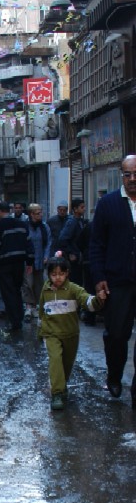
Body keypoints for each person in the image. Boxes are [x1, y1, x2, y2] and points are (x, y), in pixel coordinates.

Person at [89, 154, 136, 405]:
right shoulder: (108, 204)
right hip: (117, 281)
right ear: (121, 175)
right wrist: (98, 278)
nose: (132, 179)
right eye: (127, 174)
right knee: (117, 335)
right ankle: (115, 375)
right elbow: (96, 244)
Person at [39, 253, 105, 411]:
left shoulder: (73, 289)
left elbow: (87, 301)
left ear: (67, 273)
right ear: (48, 275)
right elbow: (41, 310)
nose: (58, 278)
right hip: (51, 333)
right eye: (54, 274)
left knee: (66, 365)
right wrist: (40, 331)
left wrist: (98, 299)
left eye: (61, 274)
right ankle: (57, 393)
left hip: (70, 335)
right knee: (55, 361)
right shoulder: (45, 290)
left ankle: (62, 386)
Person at [0, 200, 34, 332]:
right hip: (19, 263)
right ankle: (19, 316)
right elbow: (29, 244)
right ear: (10, 211)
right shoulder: (22, 224)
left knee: (8, 292)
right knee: (17, 290)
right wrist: (30, 261)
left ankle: (15, 321)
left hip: (5, 264)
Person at [22, 203, 51, 321]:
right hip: (28, 260)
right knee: (28, 282)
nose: (40, 215)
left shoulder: (44, 227)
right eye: (38, 213)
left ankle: (36, 305)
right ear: (31, 214)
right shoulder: (25, 226)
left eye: (41, 212)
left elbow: (48, 242)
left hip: (40, 259)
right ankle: (28, 305)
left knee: (39, 282)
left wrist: (46, 256)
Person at [59, 198, 86, 284]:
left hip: (79, 258)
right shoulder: (72, 222)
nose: (84, 209)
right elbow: (62, 239)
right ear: (75, 209)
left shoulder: (80, 222)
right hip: (74, 259)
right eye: (82, 207)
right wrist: (70, 252)